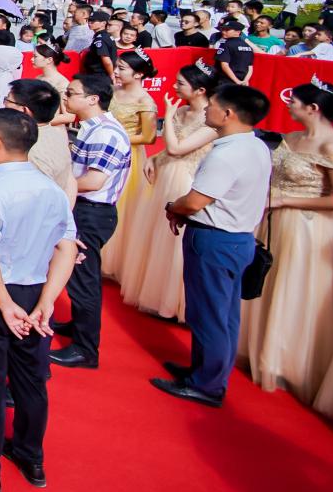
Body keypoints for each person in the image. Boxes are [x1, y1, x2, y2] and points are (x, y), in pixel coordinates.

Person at [0, 109, 77, 492]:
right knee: (31, 379)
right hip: (36, 291)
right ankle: (31, 456)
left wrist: (5, 302)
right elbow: (66, 247)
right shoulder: (51, 190)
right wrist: (47, 301)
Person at [152, 84, 273, 407]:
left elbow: (195, 202)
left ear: (229, 114)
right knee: (223, 314)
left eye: (213, 105)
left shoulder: (227, 154)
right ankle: (206, 371)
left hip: (216, 239)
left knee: (209, 314)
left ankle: (207, 384)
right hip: (237, 238)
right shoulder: (256, 146)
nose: (207, 109)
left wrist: (173, 207)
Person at [237, 79, 333, 404]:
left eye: (294, 101)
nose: (288, 104)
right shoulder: (291, 137)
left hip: (308, 228)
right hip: (273, 221)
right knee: (267, 281)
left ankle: (286, 363)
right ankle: (260, 351)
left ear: (313, 108)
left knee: (296, 288)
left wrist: (286, 200)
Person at [120, 63, 220, 319]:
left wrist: (168, 114)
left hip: (185, 180)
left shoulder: (211, 120)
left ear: (200, 90)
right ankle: (154, 294)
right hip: (163, 175)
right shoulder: (182, 110)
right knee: (156, 237)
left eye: (180, 83)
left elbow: (178, 148)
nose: (174, 86)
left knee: (174, 243)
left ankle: (175, 304)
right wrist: (155, 159)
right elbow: (169, 149)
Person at [50, 73, 132, 369]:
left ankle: (85, 350)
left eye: (71, 93)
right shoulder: (91, 128)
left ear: (93, 99)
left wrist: (55, 185)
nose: (66, 98)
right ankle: (78, 327)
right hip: (85, 209)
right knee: (80, 276)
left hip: (91, 212)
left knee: (84, 280)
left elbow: (94, 182)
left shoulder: (105, 134)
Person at [99, 51, 158, 285]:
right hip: (106, 150)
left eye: (122, 68)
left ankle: (115, 261)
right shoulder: (113, 91)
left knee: (122, 207)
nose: (116, 71)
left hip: (127, 156)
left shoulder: (145, 101)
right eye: (117, 66)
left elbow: (149, 137)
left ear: (139, 74)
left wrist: (115, 136)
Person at [213, 18, 255, 84]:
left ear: (238, 32)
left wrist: (237, 81)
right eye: (223, 29)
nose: (223, 32)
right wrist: (245, 81)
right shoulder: (247, 46)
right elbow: (250, 67)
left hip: (226, 80)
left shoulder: (226, 44)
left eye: (227, 30)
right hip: (241, 81)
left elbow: (224, 65)